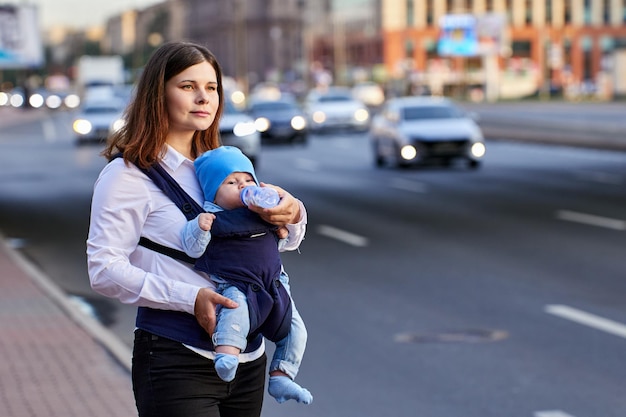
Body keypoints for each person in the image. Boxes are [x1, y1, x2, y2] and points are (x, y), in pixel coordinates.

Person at [86, 41, 307, 417]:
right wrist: (190, 298)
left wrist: (294, 213)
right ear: (159, 94)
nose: (204, 98)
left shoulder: (222, 167)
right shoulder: (126, 176)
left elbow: (261, 242)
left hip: (248, 359)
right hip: (177, 358)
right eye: (188, 86)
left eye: (212, 87)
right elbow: (104, 270)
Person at [181, 145, 312, 404]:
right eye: (231, 182)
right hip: (236, 284)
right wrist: (199, 228)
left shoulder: (263, 214)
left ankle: (282, 375)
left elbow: (282, 244)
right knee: (234, 314)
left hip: (274, 286)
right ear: (213, 194)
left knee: (297, 330)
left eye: (247, 179)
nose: (242, 186)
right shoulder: (211, 217)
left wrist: (282, 232)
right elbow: (192, 248)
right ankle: (226, 355)